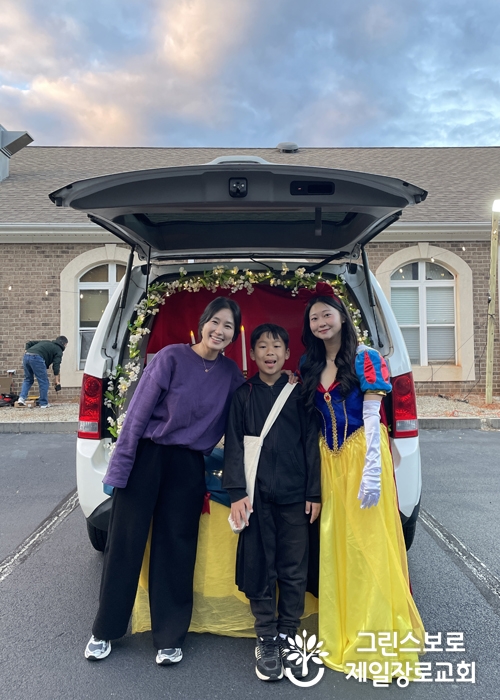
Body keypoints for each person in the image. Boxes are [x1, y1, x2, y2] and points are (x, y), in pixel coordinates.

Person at [84, 297, 244, 666]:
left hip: (188, 465)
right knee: (124, 544)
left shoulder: (231, 374)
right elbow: (136, 417)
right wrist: (120, 469)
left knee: (177, 547)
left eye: (228, 327)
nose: (219, 331)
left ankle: (169, 636)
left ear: (234, 335)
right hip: (147, 456)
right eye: (215, 322)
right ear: (203, 324)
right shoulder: (171, 357)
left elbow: (244, 416)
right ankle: (104, 631)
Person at [299, 282, 425, 679]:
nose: (321, 322)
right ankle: (344, 620)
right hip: (329, 460)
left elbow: (373, 418)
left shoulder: (365, 357)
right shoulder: (309, 364)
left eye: (327, 314)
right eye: (314, 317)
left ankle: (375, 629)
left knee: (370, 543)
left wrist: (372, 473)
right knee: (338, 542)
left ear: (342, 317)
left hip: (362, 455)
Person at [223, 323, 321, 682]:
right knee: (260, 566)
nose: (269, 352)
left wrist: (314, 492)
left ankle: (288, 634)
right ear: (252, 354)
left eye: (277, 346)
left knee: (293, 568)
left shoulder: (299, 393)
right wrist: (237, 493)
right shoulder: (242, 395)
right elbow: (234, 445)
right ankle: (266, 636)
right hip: (255, 497)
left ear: (287, 354)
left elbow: (311, 443)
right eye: (262, 346)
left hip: (295, 497)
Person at [18, 336, 68, 408]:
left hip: (26, 356)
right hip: (37, 358)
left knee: (28, 379)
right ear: (64, 344)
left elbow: (29, 343)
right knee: (44, 381)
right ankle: (44, 403)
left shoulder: (46, 342)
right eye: (66, 345)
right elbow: (56, 365)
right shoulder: (58, 350)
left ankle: (21, 398)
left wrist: (26, 350)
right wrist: (57, 380)